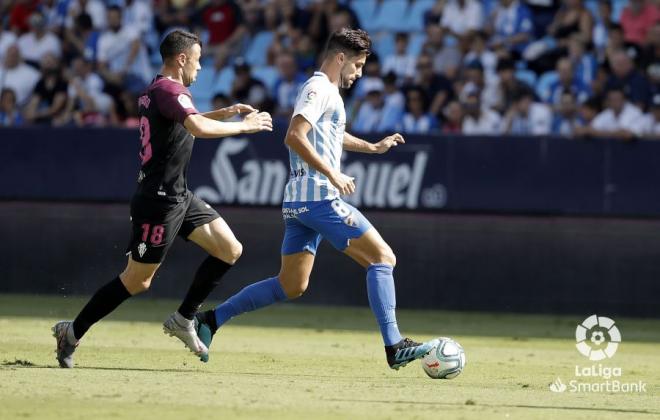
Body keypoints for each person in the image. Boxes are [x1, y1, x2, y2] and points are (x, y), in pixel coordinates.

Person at [193, 28, 438, 369]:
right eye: (359, 65)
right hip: (319, 197)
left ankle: (210, 320)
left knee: (291, 284)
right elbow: (294, 136)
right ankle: (394, 345)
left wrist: (372, 147)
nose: (360, 74)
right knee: (382, 257)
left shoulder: (327, 94)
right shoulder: (318, 87)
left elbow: (331, 135)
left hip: (298, 203)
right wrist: (333, 174)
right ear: (341, 58)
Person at [51, 29, 274, 368]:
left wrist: (224, 113)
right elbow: (197, 128)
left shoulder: (158, 90)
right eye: (198, 61)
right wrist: (247, 126)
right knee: (137, 281)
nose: (200, 69)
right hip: (157, 201)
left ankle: (185, 318)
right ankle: (72, 332)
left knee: (230, 249)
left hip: (178, 195)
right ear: (182, 58)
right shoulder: (170, 90)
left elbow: (187, 124)